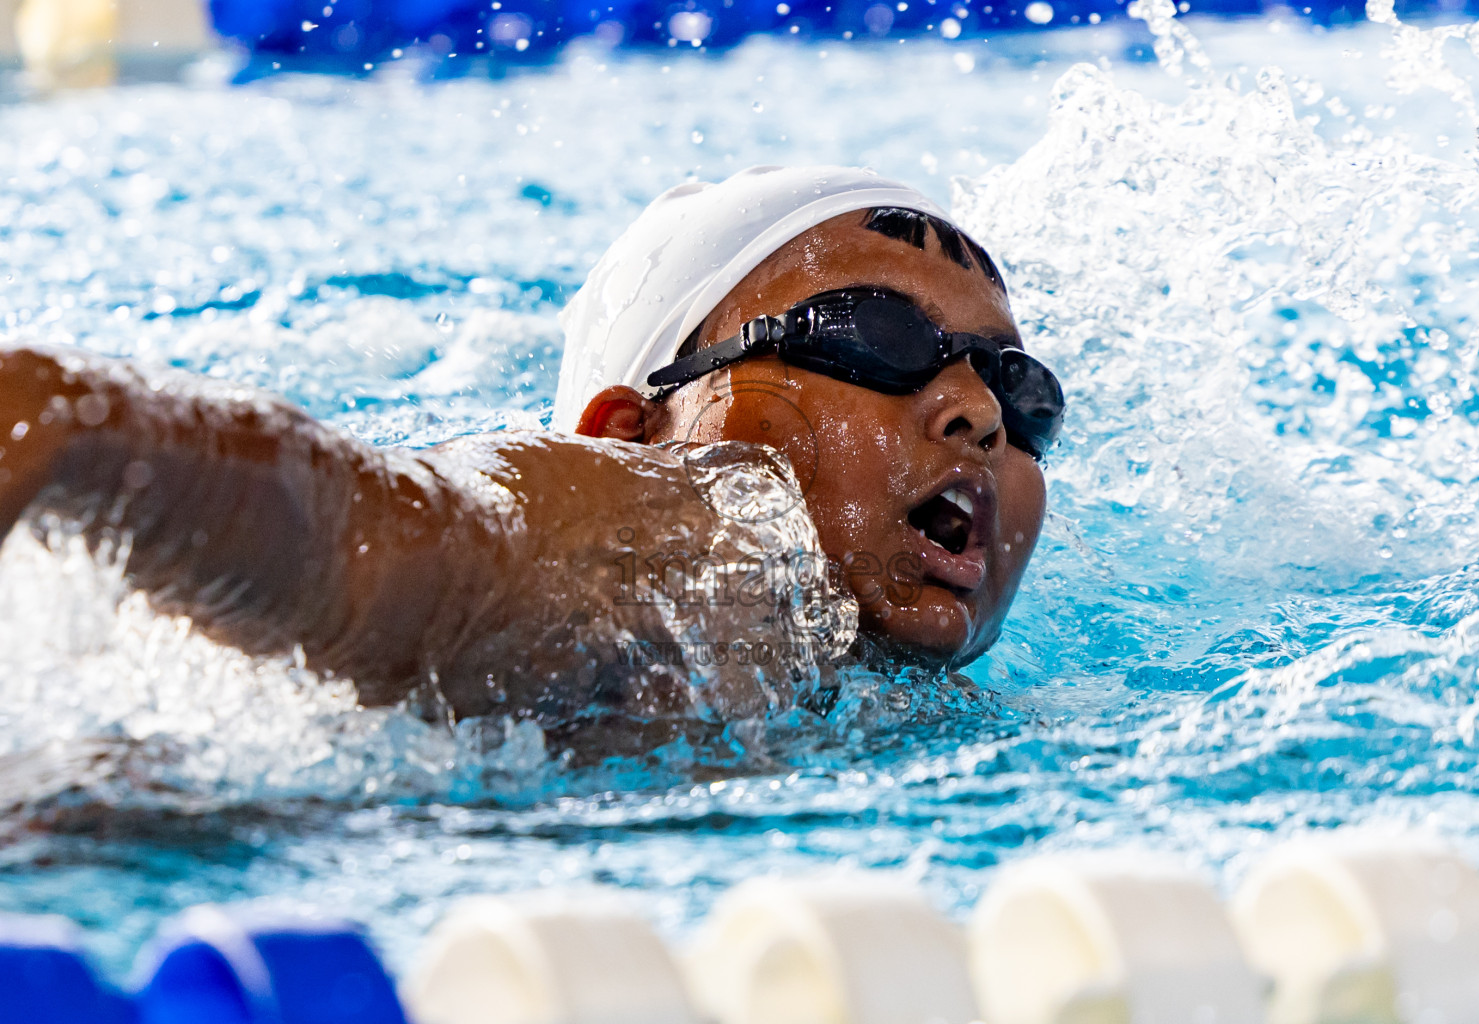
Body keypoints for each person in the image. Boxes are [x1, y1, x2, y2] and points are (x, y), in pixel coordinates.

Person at [0, 165, 1063, 739]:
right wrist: (64, 423)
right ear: (632, 434)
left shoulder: (931, 709)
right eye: (871, 337)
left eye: (1019, 389)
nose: (974, 408)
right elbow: (363, 544)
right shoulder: (679, 544)